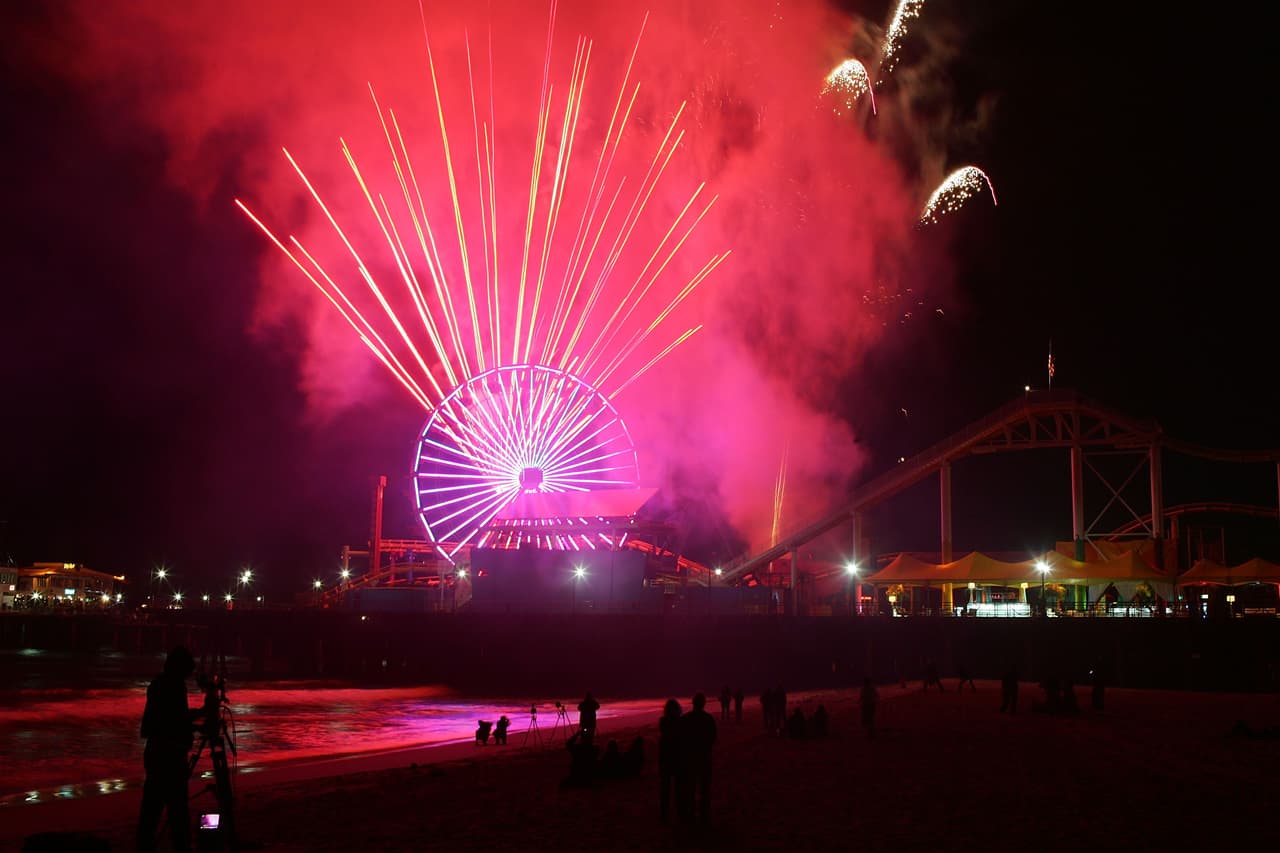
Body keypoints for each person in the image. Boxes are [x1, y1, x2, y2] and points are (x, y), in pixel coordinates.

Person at [136, 645, 199, 853]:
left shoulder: (159, 683)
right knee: (177, 807)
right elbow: (175, 720)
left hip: (156, 751)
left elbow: (168, 718)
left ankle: (145, 845)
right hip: (169, 754)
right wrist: (198, 715)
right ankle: (180, 846)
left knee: (151, 807)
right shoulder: (174, 686)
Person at [677, 692, 717, 823]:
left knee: (691, 787)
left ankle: (692, 813)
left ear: (693, 703)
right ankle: (704, 815)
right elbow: (713, 738)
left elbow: (680, 739)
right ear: (703, 704)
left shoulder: (685, 719)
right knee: (704, 789)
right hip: (704, 757)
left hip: (690, 758)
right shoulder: (708, 719)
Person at [658, 698, 681, 821]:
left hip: (666, 757)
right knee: (678, 787)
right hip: (677, 758)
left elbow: (662, 742)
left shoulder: (663, 722)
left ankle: (664, 813)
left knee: (665, 788)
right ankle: (678, 811)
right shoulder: (679, 723)